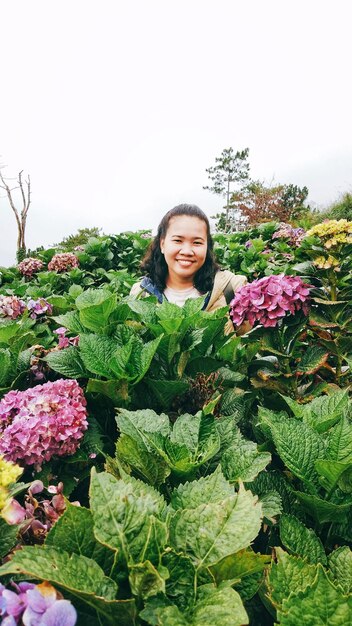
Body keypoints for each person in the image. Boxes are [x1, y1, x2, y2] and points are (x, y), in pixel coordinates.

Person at [130, 204, 247, 333]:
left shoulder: (233, 289)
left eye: (197, 242)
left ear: (207, 247)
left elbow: (247, 346)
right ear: (162, 244)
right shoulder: (141, 294)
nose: (187, 251)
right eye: (178, 241)